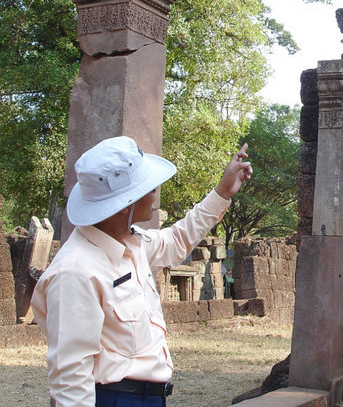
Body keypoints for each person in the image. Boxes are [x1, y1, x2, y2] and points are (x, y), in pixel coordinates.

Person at [31, 136, 253, 407]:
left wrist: (222, 193)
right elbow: (70, 379)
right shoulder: (75, 273)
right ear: (127, 203)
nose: (155, 193)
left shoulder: (131, 243)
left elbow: (176, 240)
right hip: (112, 399)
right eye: (149, 189)